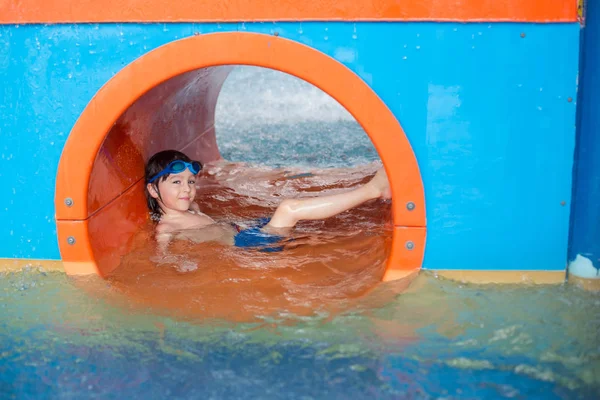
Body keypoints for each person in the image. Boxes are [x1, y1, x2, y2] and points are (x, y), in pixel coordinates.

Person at [145, 150, 391, 252]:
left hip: (247, 229)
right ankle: (374, 189)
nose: (186, 189)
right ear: (153, 191)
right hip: (248, 244)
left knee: (314, 231)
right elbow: (163, 259)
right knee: (289, 209)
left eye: (190, 181)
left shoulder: (193, 208)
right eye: (176, 183)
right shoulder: (167, 228)